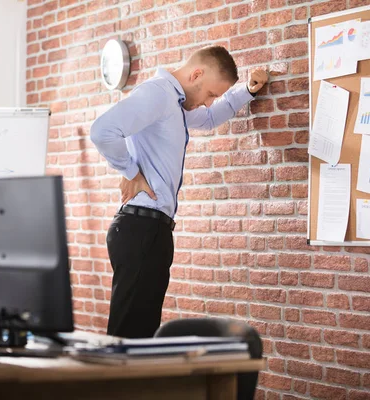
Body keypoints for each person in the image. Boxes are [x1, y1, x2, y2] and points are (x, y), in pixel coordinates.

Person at [90, 46, 269, 339]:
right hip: (142, 228)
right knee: (130, 339)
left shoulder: (174, 104)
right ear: (196, 74)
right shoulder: (159, 94)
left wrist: (247, 91)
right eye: (210, 94)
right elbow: (102, 131)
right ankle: (118, 387)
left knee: (140, 335)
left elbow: (211, 119)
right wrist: (131, 172)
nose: (209, 103)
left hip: (150, 229)